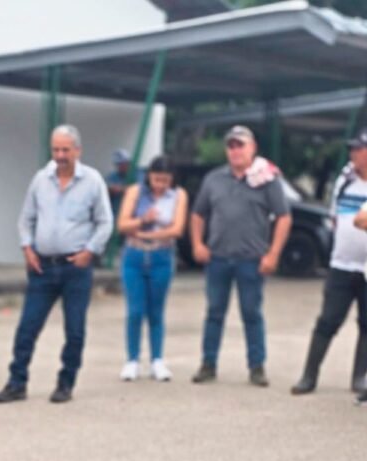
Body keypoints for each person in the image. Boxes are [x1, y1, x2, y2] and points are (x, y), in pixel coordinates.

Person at [0, 125, 113, 404]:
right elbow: (26, 218)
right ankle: (16, 382)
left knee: (74, 330)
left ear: (77, 151)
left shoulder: (92, 181)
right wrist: (27, 247)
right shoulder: (41, 180)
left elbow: (105, 222)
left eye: (65, 150)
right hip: (42, 268)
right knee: (27, 327)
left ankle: (66, 383)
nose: (60, 155)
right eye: (56, 149)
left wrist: (90, 251)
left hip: (76, 268)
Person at [191, 125, 292, 387]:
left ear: (253, 147)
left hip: (252, 260)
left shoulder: (266, 179)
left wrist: (273, 254)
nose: (235, 150)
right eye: (231, 145)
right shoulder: (214, 179)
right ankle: (208, 363)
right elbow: (198, 213)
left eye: (240, 145)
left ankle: (257, 367)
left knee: (252, 313)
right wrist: (197, 244)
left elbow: (283, 216)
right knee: (214, 312)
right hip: (218, 258)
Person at [292, 130, 367, 397]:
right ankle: (309, 375)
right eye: (352, 149)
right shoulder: (344, 180)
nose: (353, 154)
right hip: (342, 265)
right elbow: (336, 219)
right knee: (328, 320)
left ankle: (360, 376)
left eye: (358, 149)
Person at [116, 155, 188, 382]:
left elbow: (177, 229)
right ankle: (132, 360)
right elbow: (123, 224)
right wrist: (143, 219)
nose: (160, 185)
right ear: (149, 176)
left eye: (165, 180)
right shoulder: (136, 192)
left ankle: (157, 359)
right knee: (135, 310)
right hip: (135, 255)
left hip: (161, 254)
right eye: (156, 179)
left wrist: (149, 233)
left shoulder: (178, 195)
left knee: (156, 310)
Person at [107, 148, 132, 219]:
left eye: (124, 163)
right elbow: (105, 188)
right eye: (119, 164)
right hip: (117, 214)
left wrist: (122, 189)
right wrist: (111, 189)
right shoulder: (112, 177)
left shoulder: (138, 174)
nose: (122, 166)